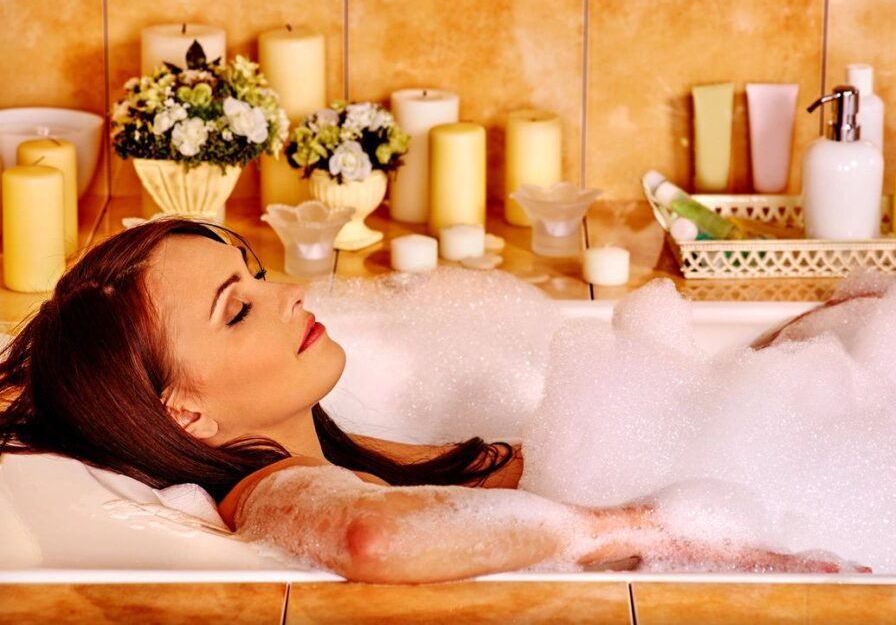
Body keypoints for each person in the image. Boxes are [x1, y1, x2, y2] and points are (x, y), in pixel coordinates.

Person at [0, 218, 850, 583]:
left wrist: (774, 357)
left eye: (257, 274)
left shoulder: (340, 444)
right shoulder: (273, 490)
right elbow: (373, 534)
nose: (289, 292)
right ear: (186, 414)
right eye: (240, 309)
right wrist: (629, 528)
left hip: (767, 461)